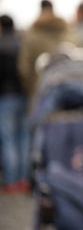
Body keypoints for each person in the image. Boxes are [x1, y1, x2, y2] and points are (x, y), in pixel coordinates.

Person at [0, 14, 30, 194]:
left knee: (8, 139)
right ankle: (24, 179)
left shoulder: (1, 45)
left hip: (5, 97)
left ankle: (10, 181)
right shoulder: (21, 44)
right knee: (23, 138)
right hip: (23, 95)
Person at [18, 0, 68, 100]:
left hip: (38, 92)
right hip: (66, 92)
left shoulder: (32, 34)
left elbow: (24, 68)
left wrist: (30, 89)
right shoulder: (67, 32)